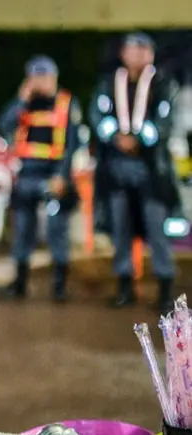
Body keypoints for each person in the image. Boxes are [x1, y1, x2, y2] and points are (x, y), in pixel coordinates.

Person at [89, 32, 180, 313]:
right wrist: (115, 136)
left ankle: (165, 288)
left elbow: (164, 120)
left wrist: (139, 140)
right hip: (116, 169)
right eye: (131, 49)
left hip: (150, 169)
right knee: (121, 227)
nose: (136, 55)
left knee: (156, 228)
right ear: (123, 54)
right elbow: (97, 115)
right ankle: (125, 284)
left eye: (142, 50)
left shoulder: (163, 83)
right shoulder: (109, 83)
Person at [0, 56, 82, 302]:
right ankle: (20, 283)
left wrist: (62, 176)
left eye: (44, 77)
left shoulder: (66, 104)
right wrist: (21, 100)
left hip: (53, 175)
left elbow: (72, 144)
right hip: (26, 176)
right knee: (22, 230)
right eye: (35, 77)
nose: (40, 82)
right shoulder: (25, 103)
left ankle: (59, 286)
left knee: (57, 231)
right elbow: (4, 123)